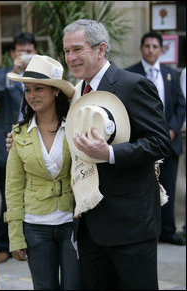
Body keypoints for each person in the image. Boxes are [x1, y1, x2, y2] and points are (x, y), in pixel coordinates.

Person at [62, 19, 171, 289]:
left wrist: (109, 152)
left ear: (101, 49)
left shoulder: (133, 85)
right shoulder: (75, 93)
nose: (70, 58)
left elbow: (159, 143)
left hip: (130, 225)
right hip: (89, 227)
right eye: (66, 51)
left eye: (77, 49)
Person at [4, 55, 81, 290]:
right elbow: (13, 187)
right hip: (35, 225)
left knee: (75, 286)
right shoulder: (19, 134)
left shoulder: (76, 127)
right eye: (27, 90)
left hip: (72, 223)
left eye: (39, 88)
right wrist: (15, 235)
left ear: (56, 91)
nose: (32, 95)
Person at [126, 31, 186, 246]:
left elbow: (181, 105)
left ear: (161, 50)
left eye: (155, 46)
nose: (151, 50)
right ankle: (145, 231)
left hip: (169, 142)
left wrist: (172, 130)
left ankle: (168, 232)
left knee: (168, 186)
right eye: (147, 46)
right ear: (142, 48)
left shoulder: (172, 74)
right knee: (142, 188)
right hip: (142, 144)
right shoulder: (130, 73)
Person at [0, 32, 37, 264]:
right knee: (9, 196)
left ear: (35, 51)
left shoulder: (42, 74)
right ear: (13, 53)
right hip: (9, 144)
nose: (24, 54)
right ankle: (5, 245)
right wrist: (12, 74)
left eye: (28, 50)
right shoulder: (3, 74)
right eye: (20, 50)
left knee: (35, 193)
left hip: (38, 142)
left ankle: (32, 242)